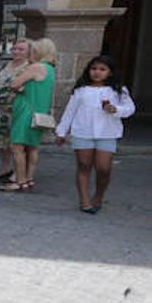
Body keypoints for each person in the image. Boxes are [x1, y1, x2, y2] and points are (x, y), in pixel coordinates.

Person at [55, 55, 136, 213]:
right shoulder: (81, 90)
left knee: (103, 168)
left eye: (102, 69)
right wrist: (62, 131)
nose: (97, 72)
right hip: (83, 132)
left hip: (107, 133)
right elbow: (70, 111)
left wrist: (116, 110)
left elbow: (130, 108)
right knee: (84, 166)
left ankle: (98, 196)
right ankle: (85, 201)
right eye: (94, 69)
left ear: (110, 72)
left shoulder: (118, 90)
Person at [0, 37, 57, 193]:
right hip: (39, 112)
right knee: (33, 147)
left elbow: (13, 83)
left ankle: (20, 180)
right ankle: (29, 179)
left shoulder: (36, 67)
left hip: (26, 110)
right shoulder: (50, 69)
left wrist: (19, 87)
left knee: (17, 147)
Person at [0, 38, 32, 182]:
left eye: (21, 49)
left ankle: (19, 171)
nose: (16, 51)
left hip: (15, 108)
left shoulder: (29, 67)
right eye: (14, 49)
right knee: (2, 139)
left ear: (29, 52)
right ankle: (5, 167)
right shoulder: (6, 64)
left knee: (16, 141)